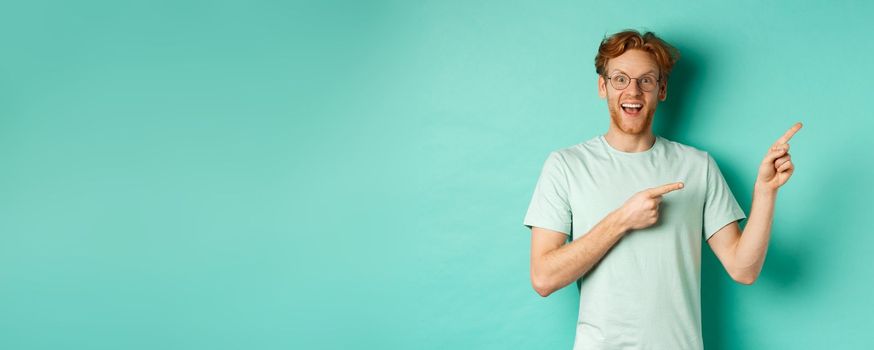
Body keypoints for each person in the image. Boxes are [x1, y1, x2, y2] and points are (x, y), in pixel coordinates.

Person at [522, 29, 801, 349]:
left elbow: (744, 269)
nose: (633, 91)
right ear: (603, 86)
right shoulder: (566, 166)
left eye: (646, 80)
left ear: (662, 89)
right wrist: (623, 219)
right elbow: (543, 278)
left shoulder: (698, 166)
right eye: (620, 79)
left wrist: (765, 193)